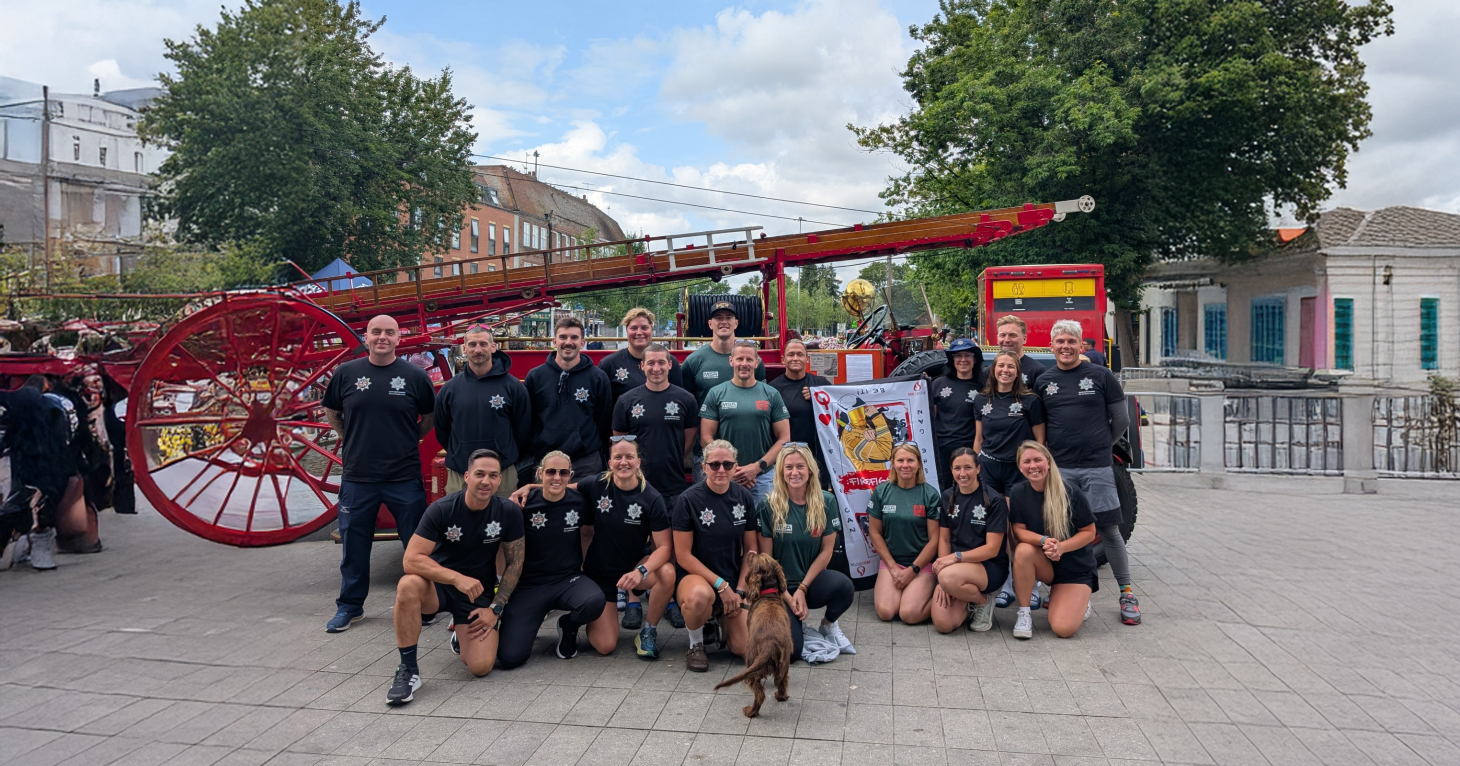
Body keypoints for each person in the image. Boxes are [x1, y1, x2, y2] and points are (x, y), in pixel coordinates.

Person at [322, 315, 435, 634]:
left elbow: (428, 416)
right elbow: (332, 411)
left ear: (399, 338)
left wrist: (408, 437)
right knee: (354, 546)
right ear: (366, 337)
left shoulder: (415, 376)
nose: (382, 337)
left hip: (403, 475)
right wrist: (351, 434)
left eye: (389, 332)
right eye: (376, 332)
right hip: (358, 476)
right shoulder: (346, 373)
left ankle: (425, 605)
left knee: (416, 545)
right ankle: (350, 607)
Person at [386, 450, 524, 704]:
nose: (486, 481)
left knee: (481, 667)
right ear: (466, 476)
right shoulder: (442, 509)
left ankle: (461, 634)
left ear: (499, 480)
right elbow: (410, 560)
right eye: (480, 474)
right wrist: (455, 578)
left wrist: (495, 608)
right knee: (407, 585)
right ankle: (408, 671)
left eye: (493, 476)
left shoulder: (508, 512)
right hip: (438, 588)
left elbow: (515, 563)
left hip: (476, 594)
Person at [1035, 319, 1138, 626]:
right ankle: (1066, 588)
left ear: (1081, 346)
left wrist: (1101, 444)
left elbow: (1121, 420)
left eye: (1071, 341)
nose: (1065, 346)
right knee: (1061, 532)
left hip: (1097, 468)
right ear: (1051, 346)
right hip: (1061, 470)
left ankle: (1127, 593)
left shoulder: (1101, 375)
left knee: (1107, 531)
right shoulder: (1044, 380)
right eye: (1060, 341)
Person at [496, 451, 607, 668]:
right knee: (510, 658)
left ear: (570, 475)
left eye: (563, 472)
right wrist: (502, 584)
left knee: (594, 601)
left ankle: (568, 626)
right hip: (530, 584)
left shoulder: (579, 502)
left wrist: (584, 567)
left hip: (567, 579)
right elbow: (503, 546)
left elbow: (588, 533)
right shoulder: (522, 504)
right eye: (551, 472)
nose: (557, 477)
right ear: (540, 474)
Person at [756, 443, 856, 660]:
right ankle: (794, 625)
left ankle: (828, 626)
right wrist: (788, 596)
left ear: (810, 469)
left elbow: (826, 552)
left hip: (809, 583)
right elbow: (767, 562)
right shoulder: (767, 505)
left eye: (800, 466)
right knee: (791, 653)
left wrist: (802, 589)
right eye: (788, 467)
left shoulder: (826, 501)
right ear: (781, 471)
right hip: (778, 588)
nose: (794, 472)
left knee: (844, 586)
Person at [578, 437, 675, 659]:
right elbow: (559, 487)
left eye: (629, 457)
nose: (624, 462)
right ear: (609, 463)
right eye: (618, 457)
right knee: (605, 646)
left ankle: (648, 631)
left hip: (634, 569)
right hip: (599, 574)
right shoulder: (596, 483)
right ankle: (578, 620)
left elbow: (664, 548)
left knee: (667, 573)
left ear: (638, 462)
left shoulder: (651, 497)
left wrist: (640, 571)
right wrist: (528, 487)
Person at [672, 439, 759, 672]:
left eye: (728, 465)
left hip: (732, 579)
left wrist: (739, 590)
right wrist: (721, 585)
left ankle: (720, 619)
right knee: (699, 598)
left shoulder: (744, 497)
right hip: (695, 577)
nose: (721, 470)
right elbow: (683, 556)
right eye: (715, 464)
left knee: (745, 649)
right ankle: (696, 644)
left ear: (735, 467)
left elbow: (751, 551)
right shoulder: (688, 500)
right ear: (704, 467)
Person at [1007, 441, 1098, 639]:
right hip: (1046, 564)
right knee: (1023, 550)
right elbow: (1018, 530)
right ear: (1020, 466)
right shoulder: (1018, 492)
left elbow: (1089, 532)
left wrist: (1062, 547)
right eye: (1027, 461)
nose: (1033, 466)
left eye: (1038, 460)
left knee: (1062, 629)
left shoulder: (1071, 492)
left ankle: (1080, 600)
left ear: (1048, 463)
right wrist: (1044, 540)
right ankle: (1024, 613)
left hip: (1075, 569)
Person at [435, 324, 531, 496]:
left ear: (493, 347)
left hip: (502, 473)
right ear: (464, 348)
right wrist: (459, 452)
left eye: (483, 344)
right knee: (460, 522)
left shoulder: (513, 387)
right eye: (472, 344)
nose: (478, 349)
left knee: (503, 521)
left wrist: (505, 454)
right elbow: (442, 430)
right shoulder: (449, 389)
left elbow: (523, 431)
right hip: (460, 472)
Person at [681, 301, 766, 479]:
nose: (724, 322)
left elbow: (764, 401)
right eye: (718, 318)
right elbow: (686, 407)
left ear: (736, 323)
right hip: (707, 456)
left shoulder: (754, 363)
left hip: (751, 460)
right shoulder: (694, 362)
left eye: (729, 317)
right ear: (710, 324)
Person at [700, 340, 790, 501]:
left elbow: (784, 438)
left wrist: (757, 467)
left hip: (762, 477)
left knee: (763, 524)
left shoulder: (771, 394)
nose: (744, 364)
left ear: (757, 362)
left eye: (749, 359)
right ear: (731, 361)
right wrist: (730, 470)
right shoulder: (716, 393)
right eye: (740, 359)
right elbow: (706, 438)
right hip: (725, 476)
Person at [930, 448, 1008, 634]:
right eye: (957, 468)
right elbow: (945, 539)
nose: (962, 473)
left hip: (989, 566)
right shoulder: (948, 496)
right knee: (944, 625)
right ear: (951, 469)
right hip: (955, 569)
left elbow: (992, 549)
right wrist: (942, 574)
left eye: (968, 467)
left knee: (948, 578)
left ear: (978, 469)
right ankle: (966, 596)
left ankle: (984, 601)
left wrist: (954, 560)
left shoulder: (995, 500)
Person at [524, 315, 613, 477]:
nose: (568, 342)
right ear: (554, 341)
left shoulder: (598, 378)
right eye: (563, 337)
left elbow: (604, 421)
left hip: (585, 461)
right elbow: (529, 419)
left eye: (574, 337)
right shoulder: (535, 376)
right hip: (545, 460)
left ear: (582, 342)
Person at [612, 343, 698, 507]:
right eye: (651, 363)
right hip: (636, 484)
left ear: (670, 365)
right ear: (642, 365)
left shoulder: (687, 400)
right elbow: (620, 443)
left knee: (672, 532)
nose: (656, 368)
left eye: (661, 362)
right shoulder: (625, 401)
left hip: (674, 485)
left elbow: (688, 442)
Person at [868, 443, 943, 624]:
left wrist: (913, 569)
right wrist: (892, 567)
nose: (905, 465)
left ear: (918, 464)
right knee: (886, 612)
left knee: (909, 615)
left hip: (920, 565)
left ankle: (941, 596)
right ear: (893, 463)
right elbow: (875, 532)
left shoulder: (930, 494)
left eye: (910, 460)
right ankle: (908, 593)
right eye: (900, 460)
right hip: (891, 563)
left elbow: (934, 540)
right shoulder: (881, 491)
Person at [973, 350, 1046, 495]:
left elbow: (1040, 440)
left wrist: (1034, 465)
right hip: (989, 466)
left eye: (1011, 367)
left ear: (1018, 372)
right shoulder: (981, 399)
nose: (1005, 370)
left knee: (1016, 512)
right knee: (992, 512)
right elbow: (979, 438)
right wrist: (975, 465)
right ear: (993, 370)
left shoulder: (1031, 400)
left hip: (1018, 467)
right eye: (1000, 365)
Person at [767, 339, 832, 489]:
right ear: (783, 359)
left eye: (800, 354)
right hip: (785, 460)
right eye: (790, 355)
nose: (795, 358)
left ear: (807, 359)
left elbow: (836, 412)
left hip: (816, 459)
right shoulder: (772, 389)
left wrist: (818, 398)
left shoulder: (821, 385)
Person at [929, 337, 985, 483]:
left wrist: (976, 454)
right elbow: (928, 416)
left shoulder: (983, 386)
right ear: (952, 359)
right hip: (942, 450)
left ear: (975, 358)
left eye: (968, 355)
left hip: (969, 449)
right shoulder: (939, 383)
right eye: (958, 356)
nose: (963, 360)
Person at [599, 308, 684, 401]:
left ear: (651, 330)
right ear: (627, 330)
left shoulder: (669, 362)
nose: (639, 332)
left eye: (644, 328)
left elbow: (679, 399)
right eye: (634, 328)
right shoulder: (609, 364)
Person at [995, 315, 1046, 387]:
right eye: (1002, 335)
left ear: (1024, 339)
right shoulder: (990, 371)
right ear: (997, 338)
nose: (1006, 340)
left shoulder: (1038, 371)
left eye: (1012, 335)